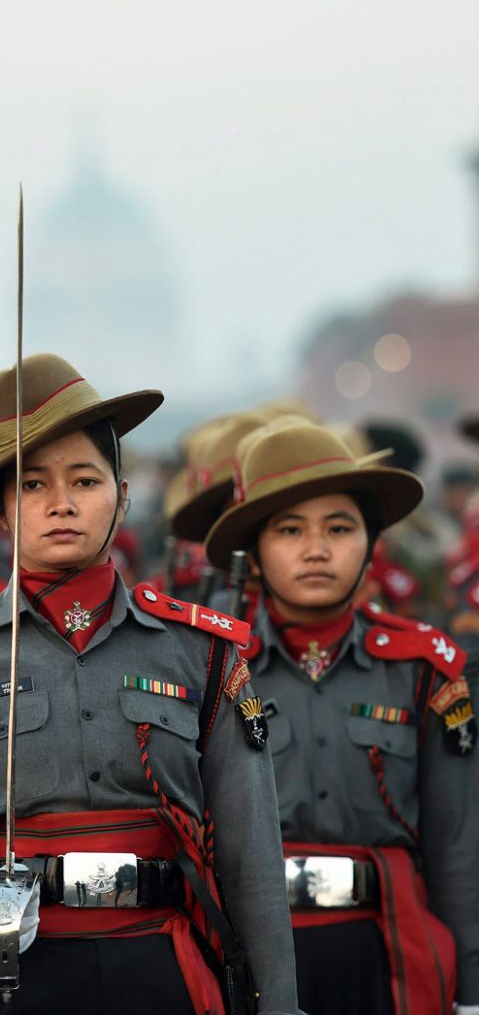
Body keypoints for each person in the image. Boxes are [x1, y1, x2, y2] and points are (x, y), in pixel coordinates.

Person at [0, 353, 301, 1015]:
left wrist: (277, 1006)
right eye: (34, 486)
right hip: (7, 981)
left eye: (84, 479)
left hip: (161, 968)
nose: (62, 505)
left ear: (124, 495)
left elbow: (251, 862)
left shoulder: (203, 653)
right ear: (0, 509)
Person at [199, 419, 479, 1015]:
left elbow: (457, 846)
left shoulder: (422, 669)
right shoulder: (212, 669)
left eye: (340, 527)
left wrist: (472, 996)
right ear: (256, 550)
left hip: (387, 952)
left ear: (372, 545)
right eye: (290, 529)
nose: (316, 548)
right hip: (256, 953)